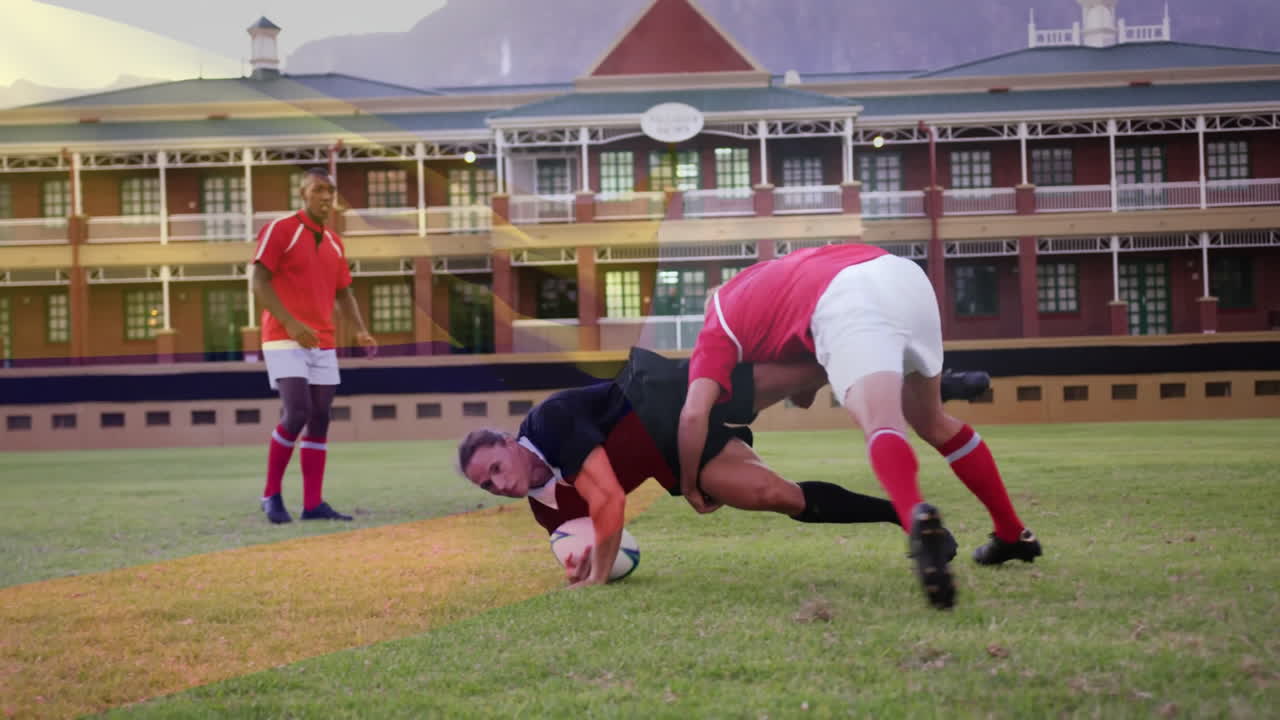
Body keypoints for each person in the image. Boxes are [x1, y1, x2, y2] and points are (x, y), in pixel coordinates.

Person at [678, 244, 1042, 611]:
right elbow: (805, 388)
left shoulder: (717, 329)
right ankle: (1012, 534)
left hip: (848, 299)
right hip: (903, 276)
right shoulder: (768, 281)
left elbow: (693, 414)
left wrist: (690, 483)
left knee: (882, 422)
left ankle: (915, 516)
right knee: (932, 422)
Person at [458, 347, 965, 588]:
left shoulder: (548, 421)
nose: (499, 485)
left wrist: (596, 581)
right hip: (672, 457)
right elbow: (588, 539)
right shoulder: (546, 511)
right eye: (488, 485)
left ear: (510, 442)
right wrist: (582, 566)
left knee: (805, 370)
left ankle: (937, 381)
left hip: (665, 397)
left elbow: (608, 499)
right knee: (777, 496)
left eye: (496, 468)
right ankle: (908, 515)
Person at [250, 167, 377, 524]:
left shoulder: (335, 242)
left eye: (330, 191)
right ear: (303, 193)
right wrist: (291, 323)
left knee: (320, 416)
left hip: (323, 341)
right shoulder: (281, 229)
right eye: (318, 189)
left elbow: (344, 293)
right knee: (297, 412)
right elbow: (258, 282)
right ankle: (271, 495)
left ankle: (312, 504)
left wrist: (361, 331)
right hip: (282, 336)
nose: (325, 197)